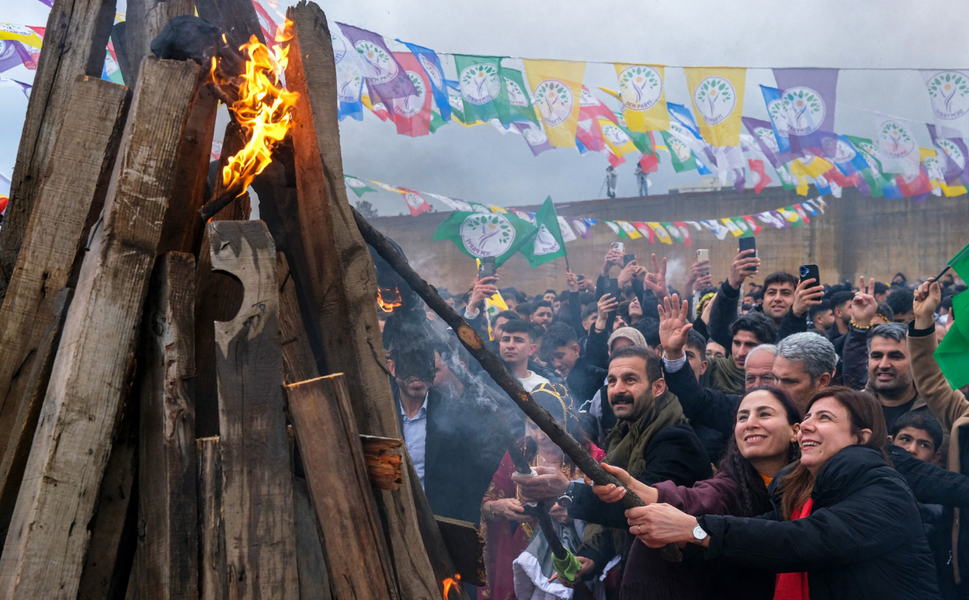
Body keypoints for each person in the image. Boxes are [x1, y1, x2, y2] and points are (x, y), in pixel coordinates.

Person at [630, 387, 941, 600]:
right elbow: (755, 529)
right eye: (807, 417)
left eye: (824, 418)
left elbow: (798, 541)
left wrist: (694, 530)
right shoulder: (809, 494)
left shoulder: (884, 491)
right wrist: (675, 528)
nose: (806, 426)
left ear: (861, 437)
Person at [591, 386, 802, 600]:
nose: (750, 424)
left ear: (795, 430)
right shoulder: (729, 487)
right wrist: (635, 488)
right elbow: (697, 500)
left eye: (764, 414)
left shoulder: (815, 485)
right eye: (742, 417)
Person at [536, 346, 711, 586]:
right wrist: (592, 558)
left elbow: (638, 510)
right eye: (612, 380)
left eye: (630, 379)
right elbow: (619, 525)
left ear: (658, 387)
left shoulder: (674, 440)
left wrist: (567, 491)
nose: (618, 390)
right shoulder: (621, 436)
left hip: (676, 582)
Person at [479, 383, 603, 600]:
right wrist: (501, 507)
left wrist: (575, 514)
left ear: (568, 422)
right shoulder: (522, 452)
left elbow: (607, 515)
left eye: (547, 426)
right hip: (521, 559)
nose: (540, 437)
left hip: (573, 563)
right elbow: (488, 504)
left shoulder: (591, 458)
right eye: (533, 427)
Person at [389, 335, 501, 524]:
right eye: (410, 364)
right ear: (392, 368)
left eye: (424, 364)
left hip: (441, 526)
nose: (417, 374)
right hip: (393, 524)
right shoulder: (378, 412)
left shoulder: (458, 416)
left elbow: (471, 484)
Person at [704, 312, 777, 395]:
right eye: (737, 343)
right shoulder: (711, 368)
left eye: (750, 345)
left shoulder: (778, 376)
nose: (741, 352)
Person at [540, 322, 607, 404]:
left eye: (560, 356)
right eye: (551, 359)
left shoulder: (598, 377)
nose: (556, 364)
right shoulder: (555, 381)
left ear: (575, 350)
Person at [772, 331, 837, 409]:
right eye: (775, 378)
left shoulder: (845, 419)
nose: (776, 389)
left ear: (822, 381)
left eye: (789, 381)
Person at [499, 320, 549, 391]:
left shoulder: (543, 386)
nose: (510, 346)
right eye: (506, 339)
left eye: (518, 340)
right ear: (499, 345)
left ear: (531, 349)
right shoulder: (485, 381)